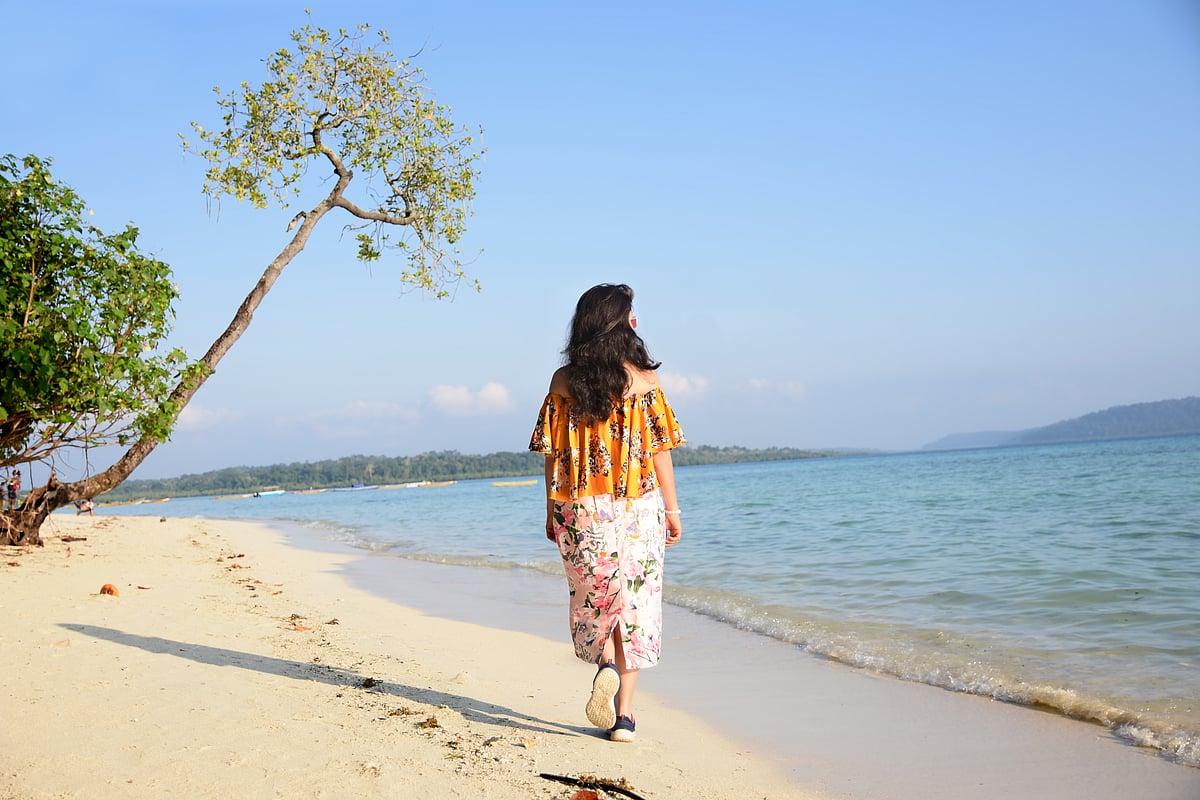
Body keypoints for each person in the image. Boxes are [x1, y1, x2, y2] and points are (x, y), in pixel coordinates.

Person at [529, 283, 685, 743]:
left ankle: (605, 665)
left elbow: (552, 455)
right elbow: (660, 451)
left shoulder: (562, 383)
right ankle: (625, 718)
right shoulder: (645, 382)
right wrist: (673, 510)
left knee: (596, 601)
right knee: (635, 606)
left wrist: (551, 511)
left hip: (580, 509)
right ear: (623, 323)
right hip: (638, 508)